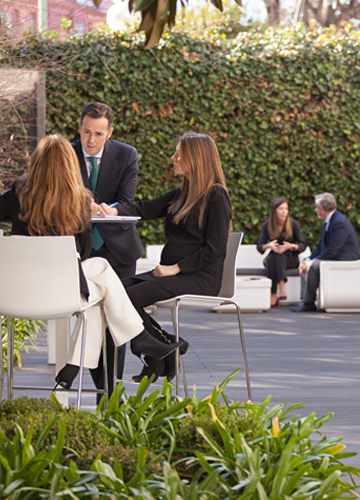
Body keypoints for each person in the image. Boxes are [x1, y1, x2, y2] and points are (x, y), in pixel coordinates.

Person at [0, 134, 184, 391]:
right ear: (69, 165)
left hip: (20, 293)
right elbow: (85, 251)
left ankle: (79, 364)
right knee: (101, 271)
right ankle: (140, 340)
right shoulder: (78, 200)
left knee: (99, 290)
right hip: (65, 293)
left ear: (36, 164)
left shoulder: (19, 192)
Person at [98, 132, 233, 382]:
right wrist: (113, 209)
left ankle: (158, 350)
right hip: (174, 273)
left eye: (179, 152)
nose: (173, 157)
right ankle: (162, 348)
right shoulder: (183, 192)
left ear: (196, 158)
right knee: (112, 290)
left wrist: (176, 268)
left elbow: (215, 249)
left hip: (200, 276)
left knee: (123, 295)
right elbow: (145, 208)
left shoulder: (216, 195)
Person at [72, 102, 143, 398]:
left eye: (98, 134)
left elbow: (127, 200)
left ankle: (110, 394)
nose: (91, 140)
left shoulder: (126, 154)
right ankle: (104, 388)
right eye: (86, 131)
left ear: (109, 133)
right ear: (79, 128)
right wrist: (81, 204)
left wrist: (109, 209)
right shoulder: (67, 154)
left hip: (119, 251)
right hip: (83, 252)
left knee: (116, 322)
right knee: (89, 322)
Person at [292, 193, 360, 312]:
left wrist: (311, 262)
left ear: (321, 208)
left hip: (346, 261)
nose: (315, 210)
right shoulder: (329, 221)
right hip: (336, 257)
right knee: (306, 262)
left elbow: (333, 251)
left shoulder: (339, 222)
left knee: (313, 266)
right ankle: (306, 300)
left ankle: (308, 303)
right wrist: (308, 259)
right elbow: (320, 247)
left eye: (316, 207)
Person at [257, 198, 306, 307]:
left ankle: (273, 293)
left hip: (291, 260)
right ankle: (281, 289)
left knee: (273, 258)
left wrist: (290, 246)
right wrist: (269, 246)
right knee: (274, 256)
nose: (284, 212)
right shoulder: (268, 225)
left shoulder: (293, 224)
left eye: (286, 209)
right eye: (281, 209)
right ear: (274, 211)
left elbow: (303, 245)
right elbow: (259, 247)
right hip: (274, 260)